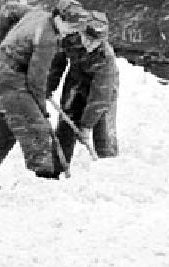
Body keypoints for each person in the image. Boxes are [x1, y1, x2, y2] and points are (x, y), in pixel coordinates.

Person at [0, 0, 92, 178]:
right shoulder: (47, 39)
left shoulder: (37, 14)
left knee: (5, 128)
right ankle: (45, 177)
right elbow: (36, 80)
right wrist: (41, 110)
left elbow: (10, 8)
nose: (72, 31)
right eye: (71, 26)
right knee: (37, 129)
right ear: (59, 18)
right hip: (10, 79)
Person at [47, 9, 119, 162]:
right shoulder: (70, 39)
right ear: (81, 31)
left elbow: (100, 97)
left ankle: (108, 165)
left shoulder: (106, 57)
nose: (89, 44)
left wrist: (86, 126)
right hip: (76, 79)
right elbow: (57, 64)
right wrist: (48, 87)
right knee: (67, 120)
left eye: (95, 41)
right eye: (86, 37)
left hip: (102, 89)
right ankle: (58, 165)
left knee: (102, 127)